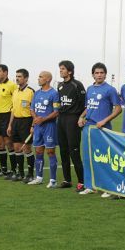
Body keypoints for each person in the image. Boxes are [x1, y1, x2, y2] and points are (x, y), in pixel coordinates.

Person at [78, 62, 121, 195]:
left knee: (104, 158)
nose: (99, 75)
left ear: (105, 75)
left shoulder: (110, 90)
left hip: (103, 128)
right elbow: (89, 107)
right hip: (88, 127)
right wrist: (81, 117)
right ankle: (90, 186)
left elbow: (118, 109)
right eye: (97, 73)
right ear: (93, 75)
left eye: (102, 73)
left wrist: (104, 121)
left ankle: (109, 187)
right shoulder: (90, 89)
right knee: (87, 157)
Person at [56, 60, 87, 190]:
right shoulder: (60, 85)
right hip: (61, 119)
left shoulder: (77, 85)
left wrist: (80, 117)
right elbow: (59, 103)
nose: (61, 71)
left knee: (74, 150)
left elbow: (85, 104)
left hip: (72, 119)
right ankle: (67, 180)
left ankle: (82, 181)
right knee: (63, 151)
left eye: (63, 69)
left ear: (69, 71)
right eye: (60, 68)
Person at [27, 71, 60, 187]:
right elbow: (32, 109)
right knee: (38, 151)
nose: (39, 79)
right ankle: (39, 178)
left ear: (48, 79)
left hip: (49, 127)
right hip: (38, 127)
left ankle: (53, 180)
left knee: (50, 152)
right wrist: (36, 119)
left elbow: (56, 112)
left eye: (41, 77)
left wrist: (43, 119)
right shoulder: (36, 93)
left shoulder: (54, 93)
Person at [6, 68, 35, 182]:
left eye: (20, 76)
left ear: (26, 78)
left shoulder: (31, 92)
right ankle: (20, 173)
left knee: (27, 148)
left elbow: (34, 110)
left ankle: (30, 174)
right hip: (16, 122)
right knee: (17, 148)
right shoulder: (15, 92)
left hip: (26, 121)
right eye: (16, 76)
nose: (17, 78)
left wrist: (32, 125)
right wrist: (10, 125)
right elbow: (13, 110)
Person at [0, 64, 16, 176]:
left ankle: (14, 169)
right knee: (0, 144)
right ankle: (3, 169)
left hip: (7, 116)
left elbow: (15, 102)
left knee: (9, 143)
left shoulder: (12, 85)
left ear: (5, 72)